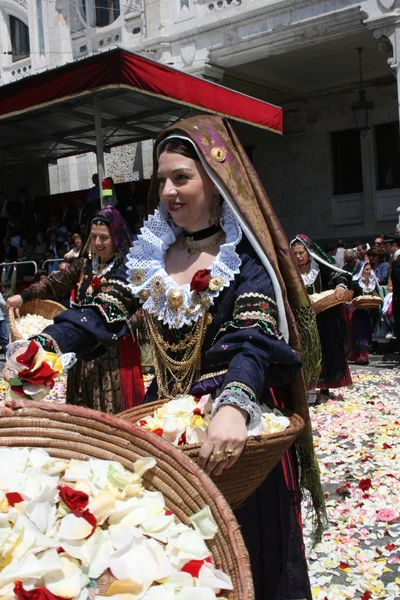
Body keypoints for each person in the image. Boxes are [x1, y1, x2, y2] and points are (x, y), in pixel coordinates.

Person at [5, 116, 325, 600]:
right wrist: (43, 348)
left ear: (216, 184)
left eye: (182, 177)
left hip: (236, 433)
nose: (170, 191)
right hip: (168, 435)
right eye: (163, 180)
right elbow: (100, 313)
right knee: (173, 566)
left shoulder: (246, 257)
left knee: (244, 561)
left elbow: (253, 336)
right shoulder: (149, 253)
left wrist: (235, 403)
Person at [7, 205, 144, 413]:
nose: (98, 243)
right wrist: (23, 296)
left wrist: (128, 322)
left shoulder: (129, 269)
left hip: (114, 350)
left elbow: (144, 308)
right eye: (94, 236)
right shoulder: (86, 264)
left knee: (112, 412)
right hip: (81, 345)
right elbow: (56, 282)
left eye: (104, 238)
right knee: (82, 407)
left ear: (116, 237)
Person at [291, 235, 352, 400]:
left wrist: (339, 286)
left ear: (308, 252)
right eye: (295, 253)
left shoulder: (319, 268)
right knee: (306, 352)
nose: (298, 256)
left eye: (301, 253)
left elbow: (339, 276)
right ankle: (309, 388)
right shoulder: (291, 272)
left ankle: (324, 388)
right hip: (302, 320)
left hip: (323, 319)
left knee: (325, 351)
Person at [350, 262, 380, 365]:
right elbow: (350, 297)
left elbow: (376, 294)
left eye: (369, 269)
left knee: (367, 332)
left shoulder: (372, 283)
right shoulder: (355, 283)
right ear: (361, 270)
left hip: (369, 312)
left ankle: (365, 356)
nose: (368, 271)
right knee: (359, 333)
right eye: (366, 269)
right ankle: (359, 356)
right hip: (358, 312)